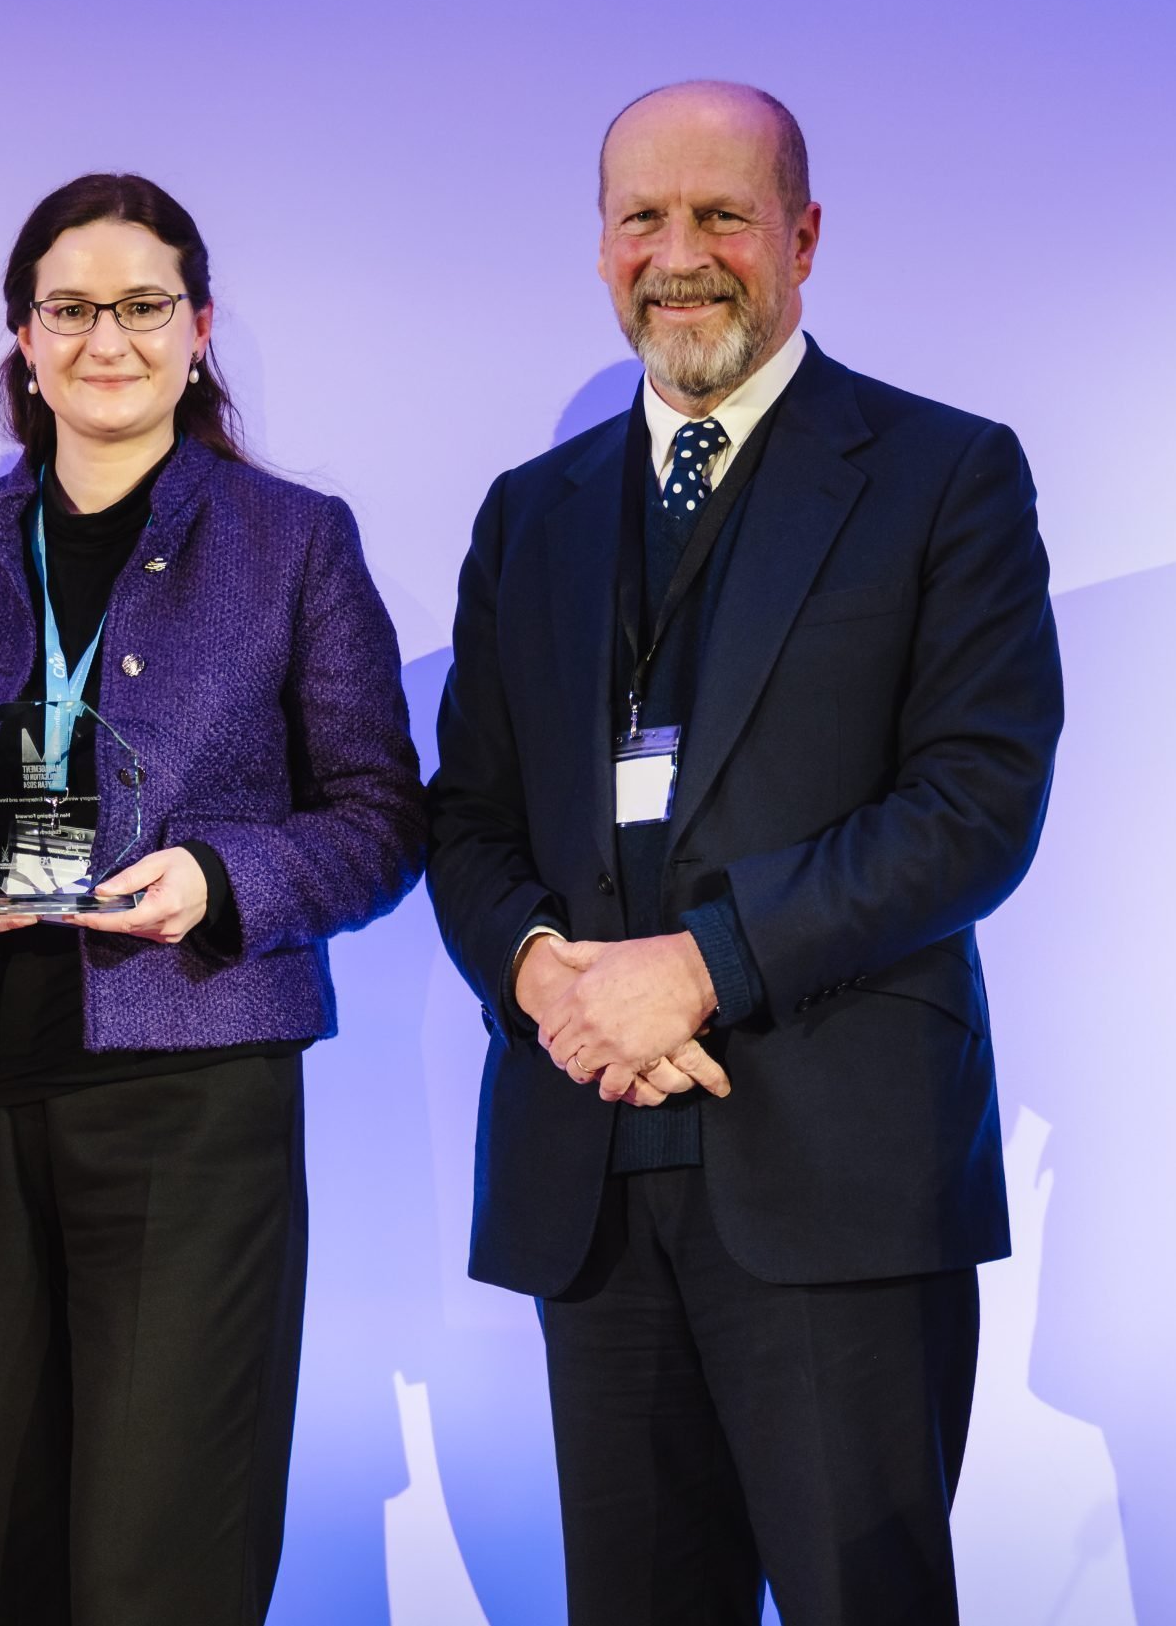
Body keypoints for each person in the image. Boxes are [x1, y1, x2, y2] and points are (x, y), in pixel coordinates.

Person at [425, 82, 1062, 1624]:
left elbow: (973, 803)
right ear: (600, 250)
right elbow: (465, 814)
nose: (680, 252)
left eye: (721, 213)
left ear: (803, 235)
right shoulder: (531, 514)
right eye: (642, 217)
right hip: (591, 1164)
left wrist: (700, 967)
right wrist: (546, 978)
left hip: (837, 1176)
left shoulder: (942, 472)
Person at [0, 173, 425, 1625]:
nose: (109, 338)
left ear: (199, 327)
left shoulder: (293, 540)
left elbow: (382, 816)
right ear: (22, 340)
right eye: (72, 309)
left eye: (144, 305)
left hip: (194, 1098)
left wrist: (222, 878)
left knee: (162, 1546)